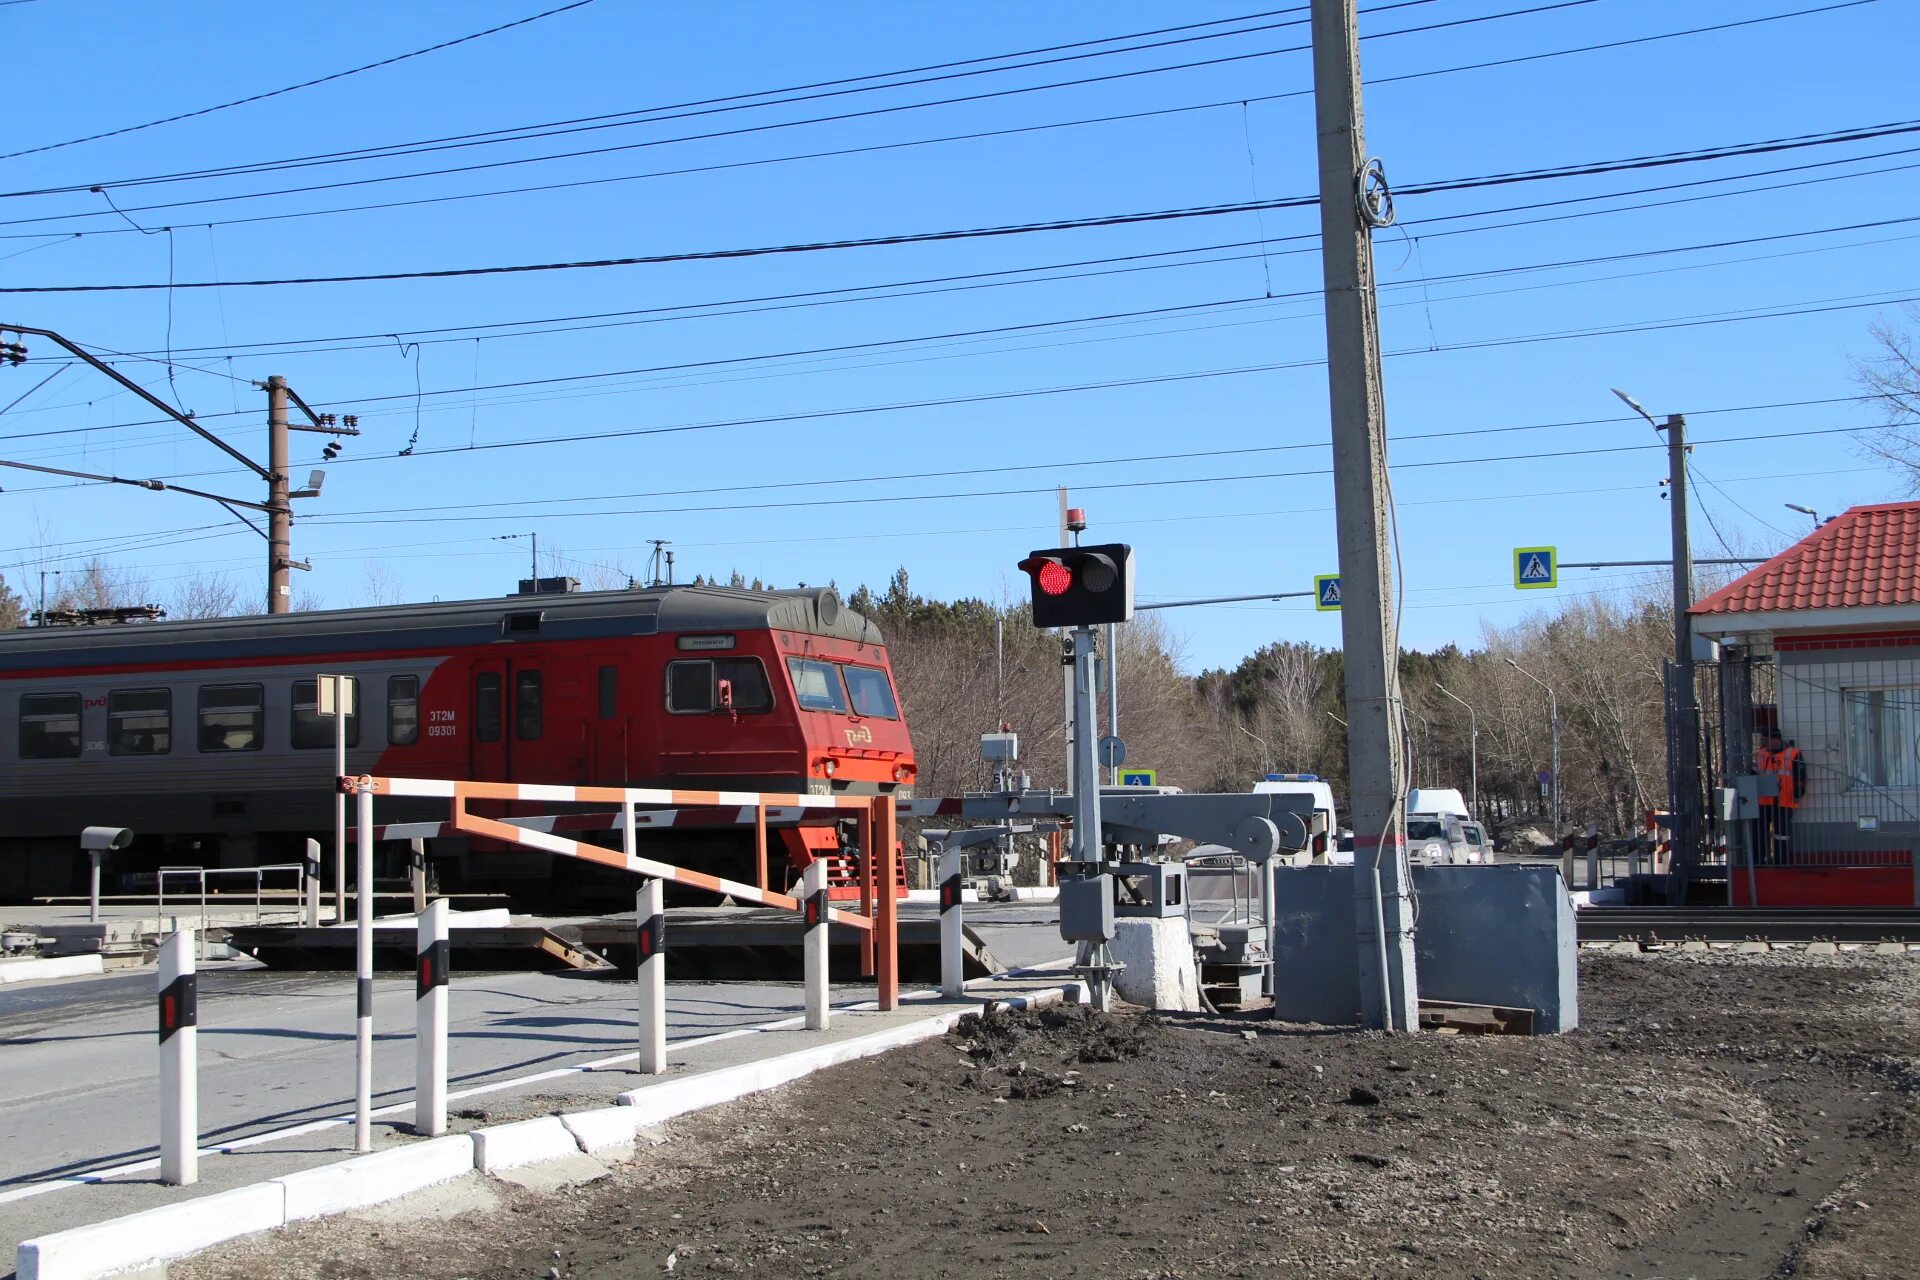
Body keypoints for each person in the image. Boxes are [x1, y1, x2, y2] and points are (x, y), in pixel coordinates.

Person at [1755, 733, 1805, 863]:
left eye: (1770, 739)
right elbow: (1756, 772)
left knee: (1782, 833)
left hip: (1784, 799)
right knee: (1760, 832)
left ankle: (1781, 860)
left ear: (1778, 740)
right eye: (1766, 740)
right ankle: (1759, 859)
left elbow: (1801, 774)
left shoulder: (1793, 753)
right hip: (1764, 800)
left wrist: (1799, 792)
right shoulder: (1761, 754)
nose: (1768, 743)